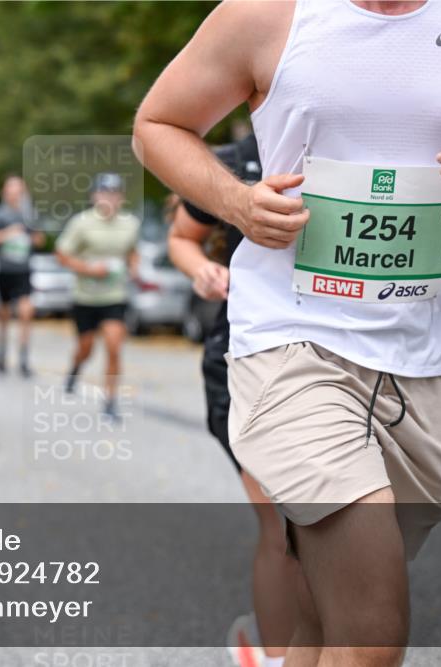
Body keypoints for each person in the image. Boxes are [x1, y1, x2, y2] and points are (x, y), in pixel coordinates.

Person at [134, 1, 441, 664]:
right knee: (371, 630)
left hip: (425, 359)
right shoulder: (266, 15)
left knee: (321, 625)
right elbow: (156, 125)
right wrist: (237, 201)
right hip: (293, 341)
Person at [168, 135, 296, 667]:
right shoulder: (228, 162)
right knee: (285, 524)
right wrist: (199, 267)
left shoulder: (373, 141)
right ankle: (270, 654)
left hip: (349, 361)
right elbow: (181, 237)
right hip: (243, 361)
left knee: (337, 525)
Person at [55, 173, 141, 419]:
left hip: (115, 295)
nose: (109, 199)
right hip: (85, 297)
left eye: (114, 194)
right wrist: (90, 269)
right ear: (94, 196)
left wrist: (134, 267)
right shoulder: (81, 223)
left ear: (121, 198)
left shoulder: (130, 224)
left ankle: (110, 400)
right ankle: (76, 367)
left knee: (114, 345)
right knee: (86, 347)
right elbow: (61, 254)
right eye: (104, 193)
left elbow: (132, 252)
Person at [0, 174, 44, 377]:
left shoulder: (29, 215)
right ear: (4, 193)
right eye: (11, 191)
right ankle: (2, 353)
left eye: (19, 191)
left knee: (26, 312)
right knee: (4, 314)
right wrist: (6, 234)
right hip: (4, 271)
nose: (15, 195)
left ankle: (23, 358)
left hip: (23, 270)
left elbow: (40, 240)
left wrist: (31, 237)